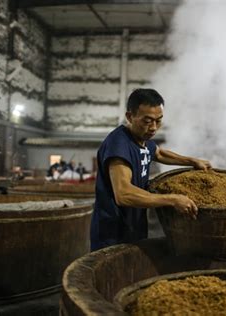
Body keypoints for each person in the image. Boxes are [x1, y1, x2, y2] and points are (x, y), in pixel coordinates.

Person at [90, 89, 211, 251]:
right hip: (113, 232)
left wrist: (192, 161)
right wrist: (173, 200)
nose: (154, 127)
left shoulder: (143, 139)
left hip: (135, 225)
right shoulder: (119, 144)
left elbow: (159, 153)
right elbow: (123, 194)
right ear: (130, 117)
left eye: (158, 120)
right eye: (147, 121)